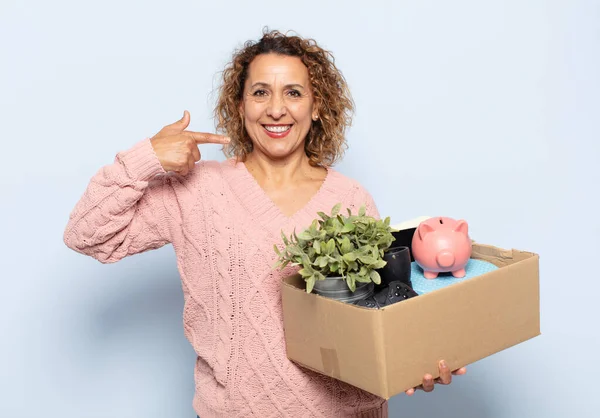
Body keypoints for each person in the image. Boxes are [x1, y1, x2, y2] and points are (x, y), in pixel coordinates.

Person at [63, 29, 467, 418]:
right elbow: (87, 235)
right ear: (240, 106)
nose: (276, 109)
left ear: (318, 105)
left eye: (293, 92)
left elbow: (380, 312)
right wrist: (146, 157)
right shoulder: (196, 191)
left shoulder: (350, 199)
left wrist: (418, 360)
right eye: (260, 93)